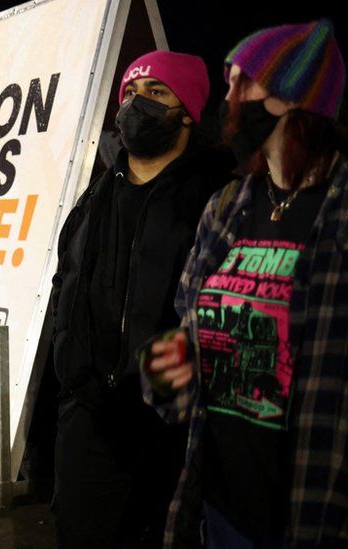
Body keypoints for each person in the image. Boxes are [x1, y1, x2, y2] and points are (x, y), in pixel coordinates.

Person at [142, 19, 347, 547]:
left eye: (243, 82)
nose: (229, 96)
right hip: (219, 504)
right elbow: (187, 334)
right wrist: (164, 369)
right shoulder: (228, 207)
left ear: (292, 100)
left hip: (309, 512)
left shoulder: (338, 214)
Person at [49, 50, 235, 547]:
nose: (138, 103)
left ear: (189, 113)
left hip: (171, 424)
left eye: (157, 93)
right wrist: (71, 375)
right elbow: (64, 287)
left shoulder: (215, 199)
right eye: (130, 92)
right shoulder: (93, 197)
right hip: (90, 419)